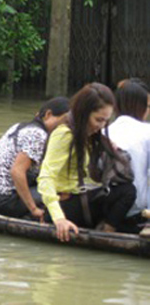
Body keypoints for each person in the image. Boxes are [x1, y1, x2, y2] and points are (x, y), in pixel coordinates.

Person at [38, 83, 136, 242]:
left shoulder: (88, 134)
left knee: (127, 191)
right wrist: (59, 219)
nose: (101, 126)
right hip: (67, 205)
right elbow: (45, 177)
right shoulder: (65, 134)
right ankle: (105, 236)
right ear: (84, 113)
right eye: (98, 120)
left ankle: (107, 230)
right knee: (127, 193)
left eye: (105, 121)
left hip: (81, 198)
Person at [0, 97, 70, 220]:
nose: (65, 127)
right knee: (56, 190)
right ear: (48, 114)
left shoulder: (19, 126)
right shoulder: (38, 135)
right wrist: (33, 209)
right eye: (64, 121)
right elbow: (17, 171)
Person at [107, 79, 150, 221]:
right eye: (148, 106)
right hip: (137, 210)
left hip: (107, 206)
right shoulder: (147, 131)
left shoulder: (103, 131)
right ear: (141, 107)